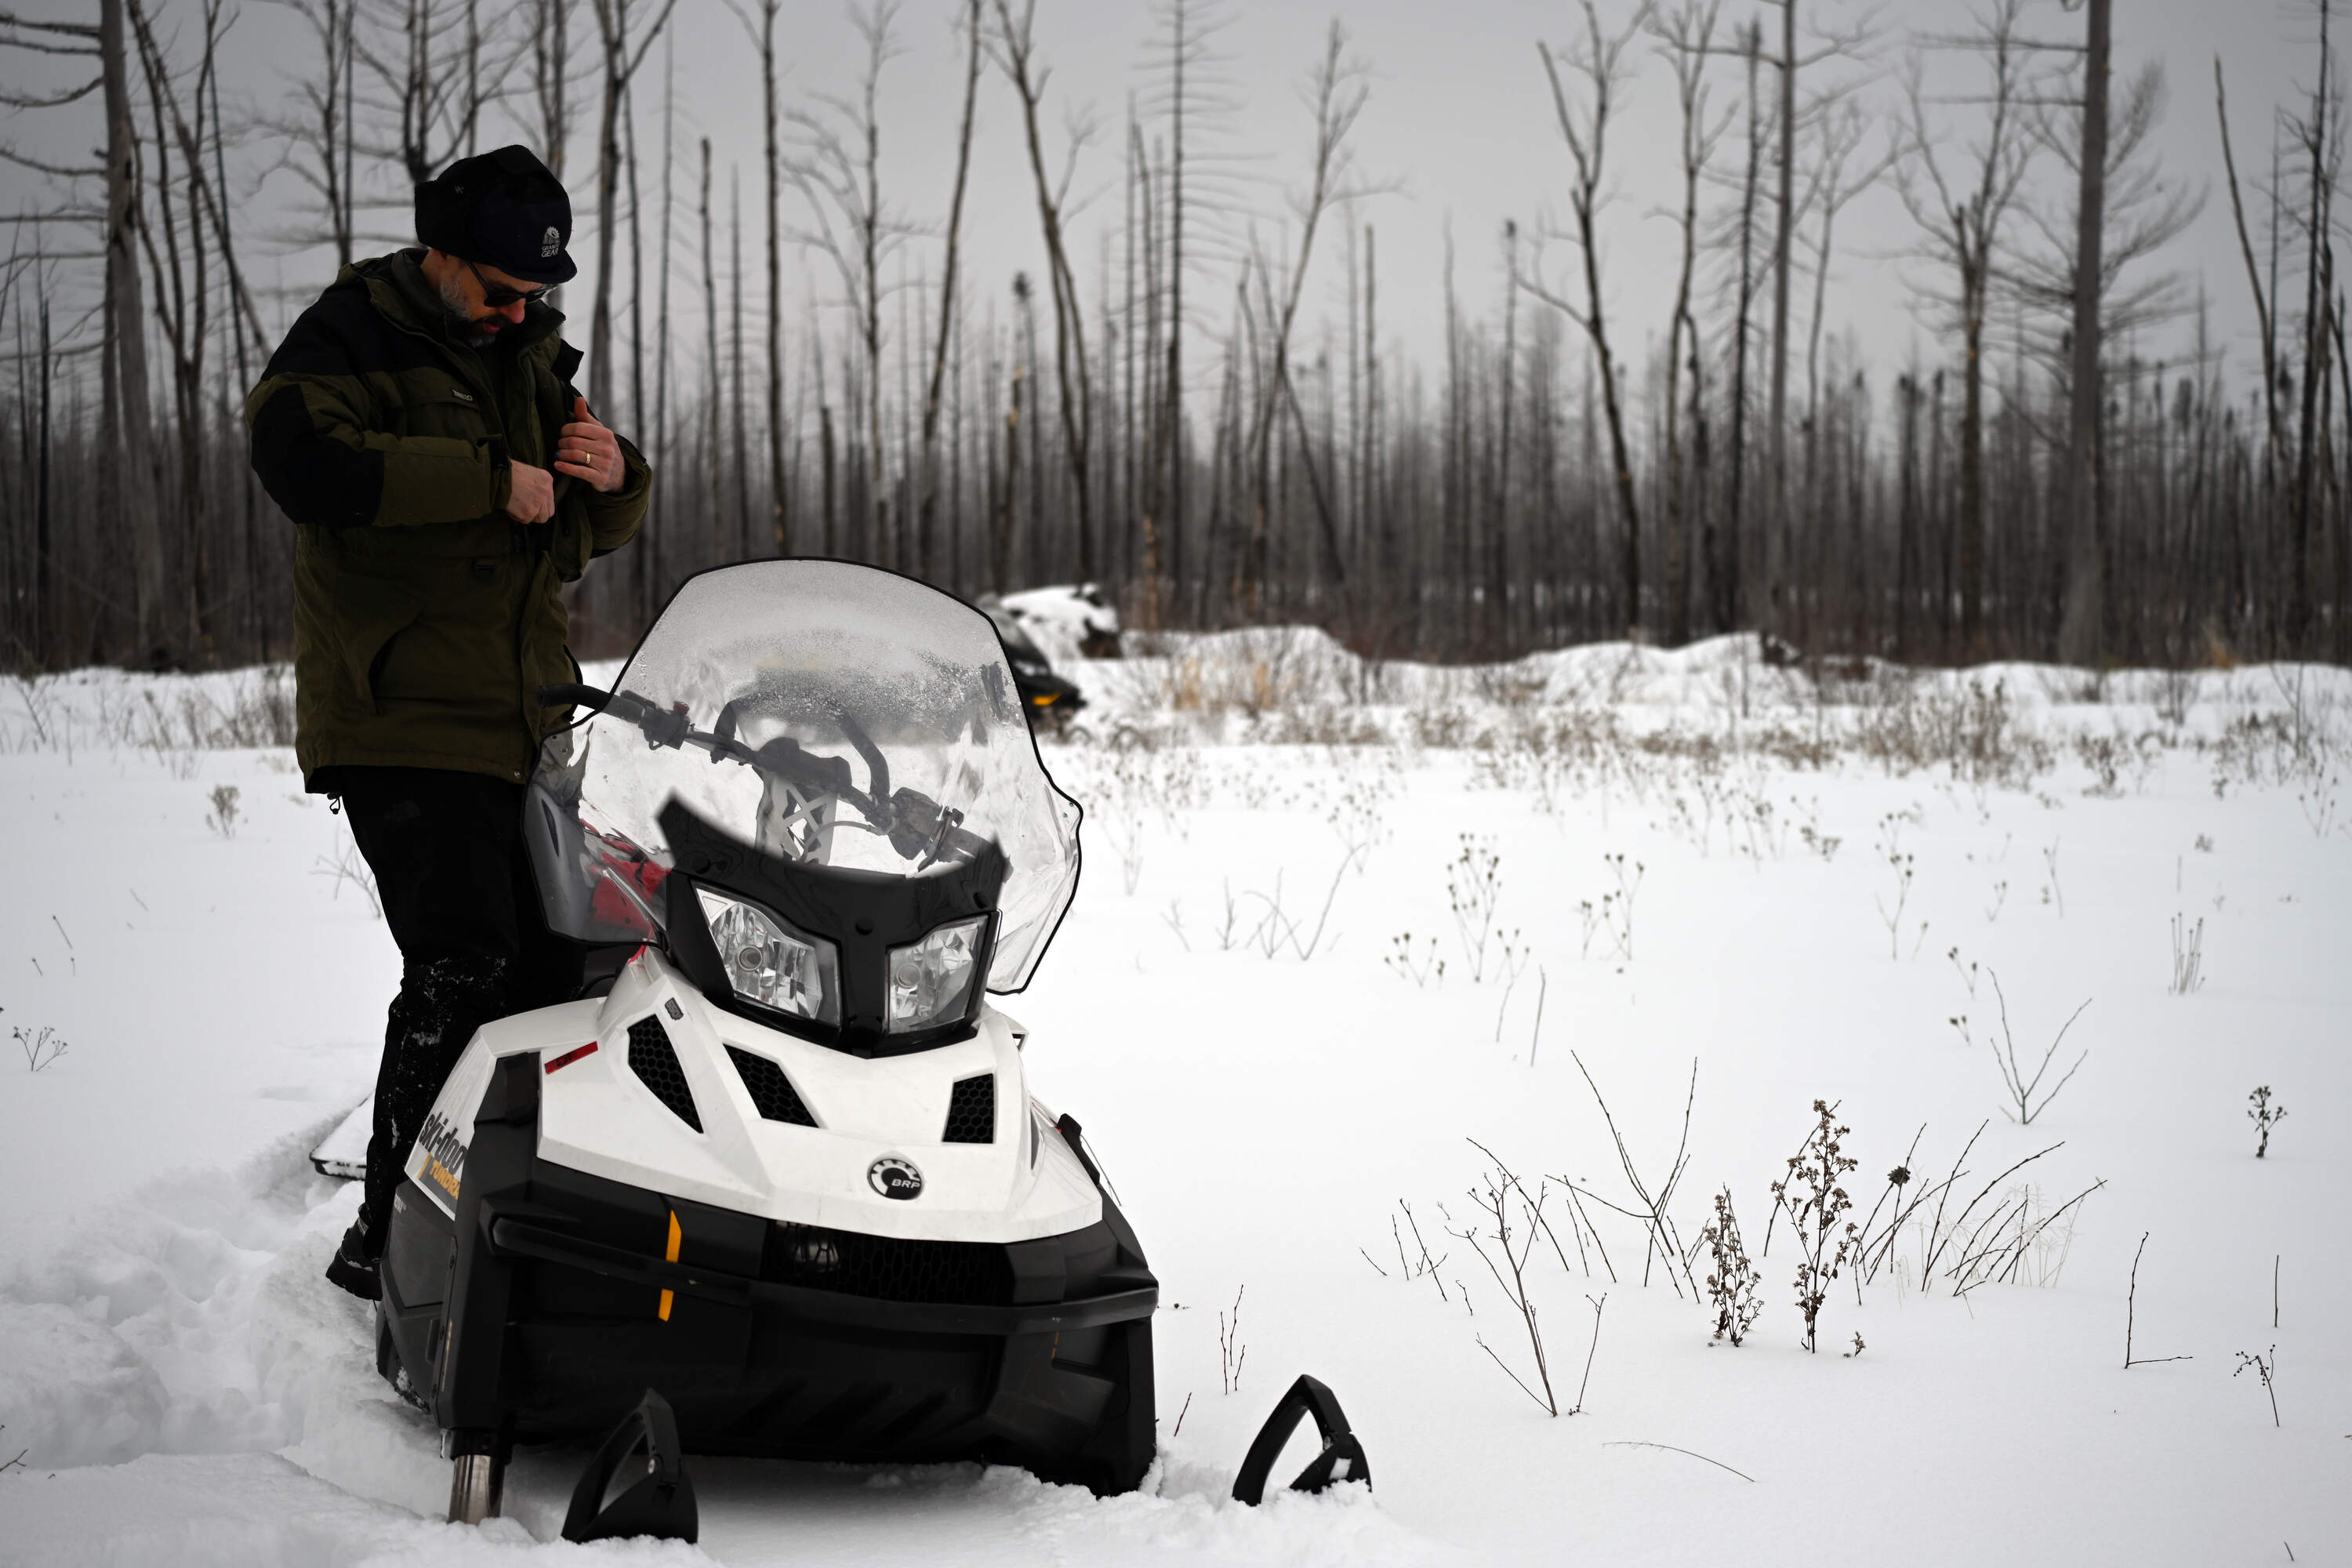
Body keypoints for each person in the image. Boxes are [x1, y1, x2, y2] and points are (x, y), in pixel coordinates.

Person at [244, 144, 651, 1300]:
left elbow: (598, 514)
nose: (519, 310)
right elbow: (297, 460)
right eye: (500, 289)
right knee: (463, 963)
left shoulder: (528, 355)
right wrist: (486, 478)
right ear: (440, 254)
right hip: (401, 718)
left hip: (518, 723)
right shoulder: (354, 333)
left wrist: (616, 475)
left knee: (549, 974)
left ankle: (497, 1226)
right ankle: (389, 1241)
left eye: (536, 295)